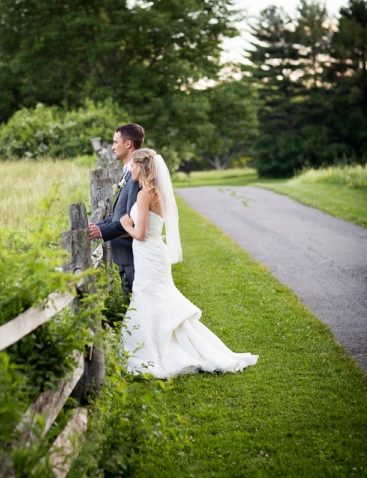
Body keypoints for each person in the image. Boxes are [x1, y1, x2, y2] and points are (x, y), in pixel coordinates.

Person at [119, 148, 259, 379]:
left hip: (148, 252)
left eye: (133, 165)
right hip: (154, 254)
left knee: (147, 298)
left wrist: (126, 225)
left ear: (141, 167)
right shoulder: (155, 192)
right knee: (155, 299)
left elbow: (141, 233)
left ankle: (152, 352)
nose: (130, 169)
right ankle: (164, 345)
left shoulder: (145, 194)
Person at [88, 123, 145, 294]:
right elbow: (118, 215)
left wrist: (100, 232)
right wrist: (99, 227)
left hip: (132, 255)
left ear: (128, 144)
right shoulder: (128, 172)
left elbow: (130, 220)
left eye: (115, 142)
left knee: (137, 307)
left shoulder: (135, 176)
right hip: (126, 255)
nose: (112, 147)